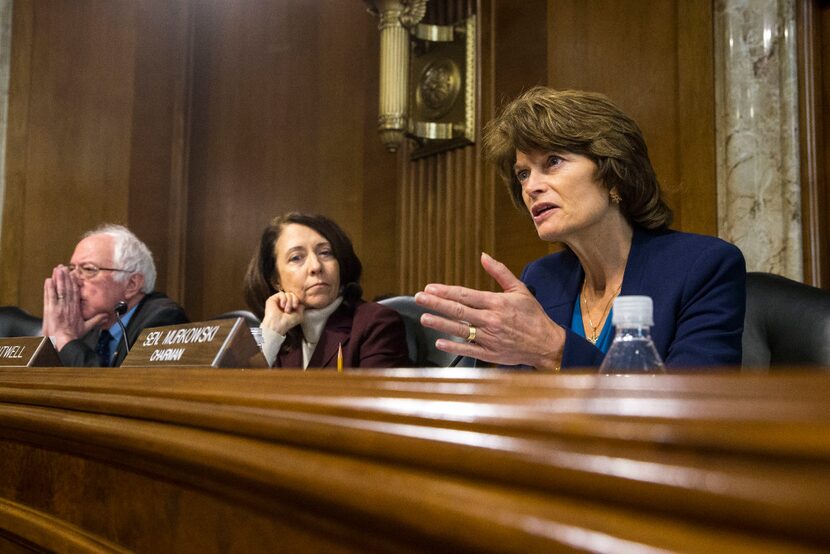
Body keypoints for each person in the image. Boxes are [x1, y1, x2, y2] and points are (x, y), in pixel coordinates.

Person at [415, 87, 746, 370]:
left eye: (552, 162)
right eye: (523, 174)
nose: (531, 187)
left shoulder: (702, 266)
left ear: (613, 174)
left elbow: (695, 406)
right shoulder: (541, 280)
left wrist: (556, 349)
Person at [243, 212, 410, 369]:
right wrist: (271, 331)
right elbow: (237, 393)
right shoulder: (280, 334)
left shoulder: (376, 323)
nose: (315, 266)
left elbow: (375, 398)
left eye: (325, 253)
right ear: (275, 280)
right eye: (296, 257)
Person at [42, 224, 189, 367]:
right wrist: (52, 342)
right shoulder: (86, 327)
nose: (73, 280)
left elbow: (114, 388)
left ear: (131, 284)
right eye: (72, 269)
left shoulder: (163, 319)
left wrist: (64, 339)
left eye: (88, 269)